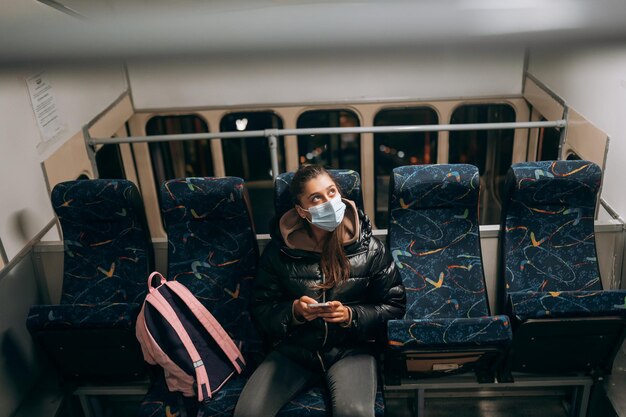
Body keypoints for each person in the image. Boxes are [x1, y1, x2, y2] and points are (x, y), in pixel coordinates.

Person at [234, 165, 406, 417]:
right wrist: (294, 312)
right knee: (248, 412)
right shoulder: (280, 253)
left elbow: (394, 306)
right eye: (316, 198)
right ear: (302, 211)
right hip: (294, 350)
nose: (329, 202)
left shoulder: (371, 249)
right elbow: (261, 309)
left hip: (350, 350)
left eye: (332, 192)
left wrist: (351, 316)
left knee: (354, 412)